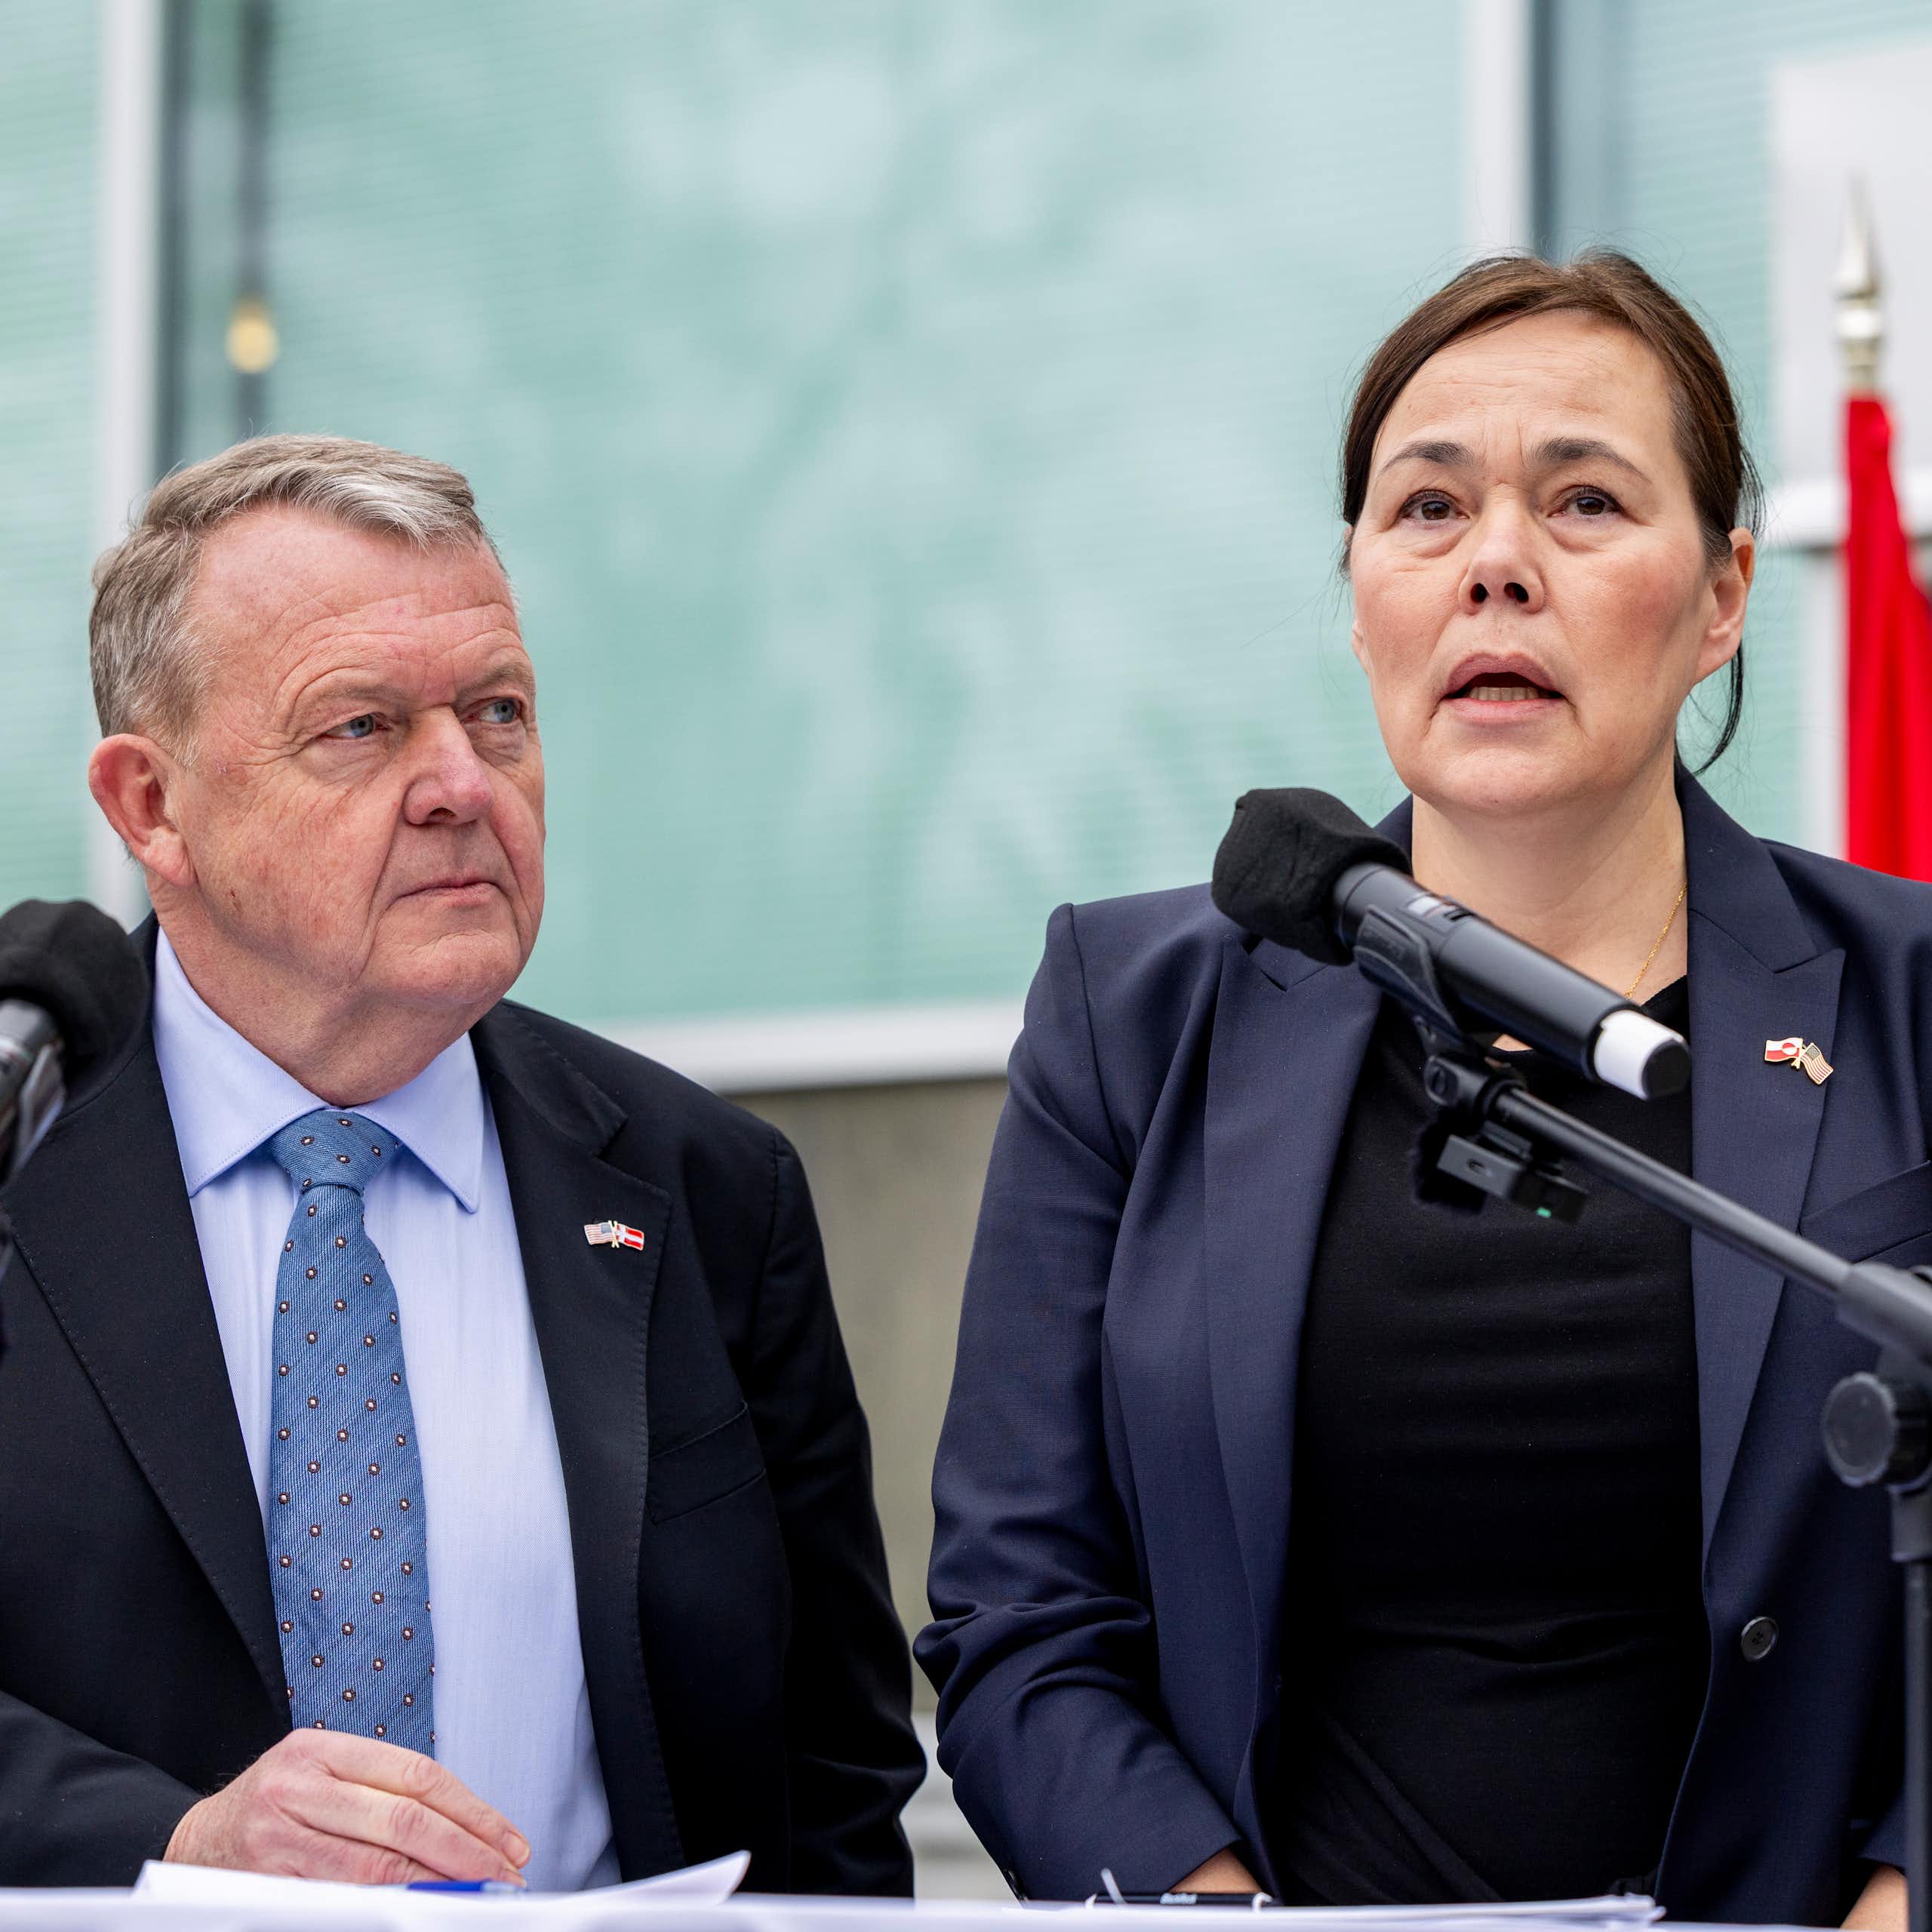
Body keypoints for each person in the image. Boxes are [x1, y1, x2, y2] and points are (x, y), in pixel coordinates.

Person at [920, 253, 1925, 1927]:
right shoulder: (1135, 1014)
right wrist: (1204, 1910)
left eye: (1584, 502)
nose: (1494, 569)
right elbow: (1022, 1607)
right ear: (1361, 582)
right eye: (1426, 509)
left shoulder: (1904, 997)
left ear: (1722, 594)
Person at [0, 435, 921, 1890]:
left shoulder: (706, 1189)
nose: (460, 785)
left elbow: (835, 1772)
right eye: (361, 728)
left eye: (498, 713)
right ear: (149, 806)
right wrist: (171, 1847)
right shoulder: (20, 1146)